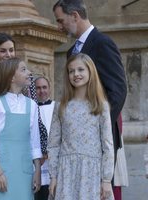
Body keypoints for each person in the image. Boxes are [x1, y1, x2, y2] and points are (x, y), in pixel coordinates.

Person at [53, 1, 127, 199]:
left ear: (75, 16)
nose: (59, 26)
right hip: (73, 150)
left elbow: (118, 91)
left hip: (99, 139)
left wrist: (97, 123)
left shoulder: (102, 42)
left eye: (61, 20)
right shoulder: (72, 52)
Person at [0, 32, 47, 179]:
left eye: (11, 50)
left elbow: (35, 118)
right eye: (3, 51)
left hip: (23, 147)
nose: (8, 54)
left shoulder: (28, 80)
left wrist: (42, 147)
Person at [48, 53, 114, 200]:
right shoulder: (61, 107)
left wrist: (106, 179)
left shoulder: (100, 106)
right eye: (71, 71)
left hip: (92, 174)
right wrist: (54, 176)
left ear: (90, 71)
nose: (76, 74)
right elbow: (53, 144)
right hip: (67, 174)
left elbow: (107, 144)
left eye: (80, 70)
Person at [0, 57, 42, 200]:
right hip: (1, 171)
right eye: (23, 69)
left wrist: (38, 171)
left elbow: (35, 142)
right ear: (11, 77)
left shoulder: (32, 105)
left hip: (24, 171)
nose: (29, 72)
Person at [34, 76, 55, 200]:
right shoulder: (31, 108)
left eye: (44, 87)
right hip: (38, 159)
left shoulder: (57, 107)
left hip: (53, 157)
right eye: (38, 88)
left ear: (49, 88)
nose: (41, 91)